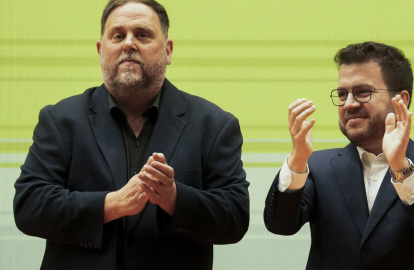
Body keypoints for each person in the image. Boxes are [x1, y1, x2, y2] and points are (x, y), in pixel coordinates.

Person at [13, 1, 249, 269]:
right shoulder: (60, 120)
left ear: (168, 51)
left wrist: (173, 199)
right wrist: (112, 204)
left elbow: (235, 217)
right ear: (101, 50)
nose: (129, 44)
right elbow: (29, 205)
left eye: (142, 34)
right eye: (118, 35)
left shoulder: (214, 125)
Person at [264, 41, 414, 269]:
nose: (348, 104)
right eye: (342, 94)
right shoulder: (317, 167)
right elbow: (280, 225)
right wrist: (297, 159)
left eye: (362, 92)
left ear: (401, 100)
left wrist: (400, 167)